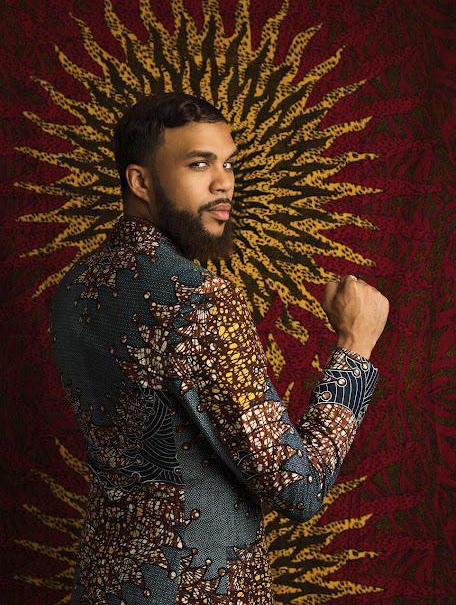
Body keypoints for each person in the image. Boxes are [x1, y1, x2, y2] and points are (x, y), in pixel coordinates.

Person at [50, 92, 389, 605]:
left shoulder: (74, 287)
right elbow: (298, 490)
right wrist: (355, 347)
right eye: (199, 163)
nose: (223, 182)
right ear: (140, 181)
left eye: (227, 163)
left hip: (103, 583)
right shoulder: (201, 299)